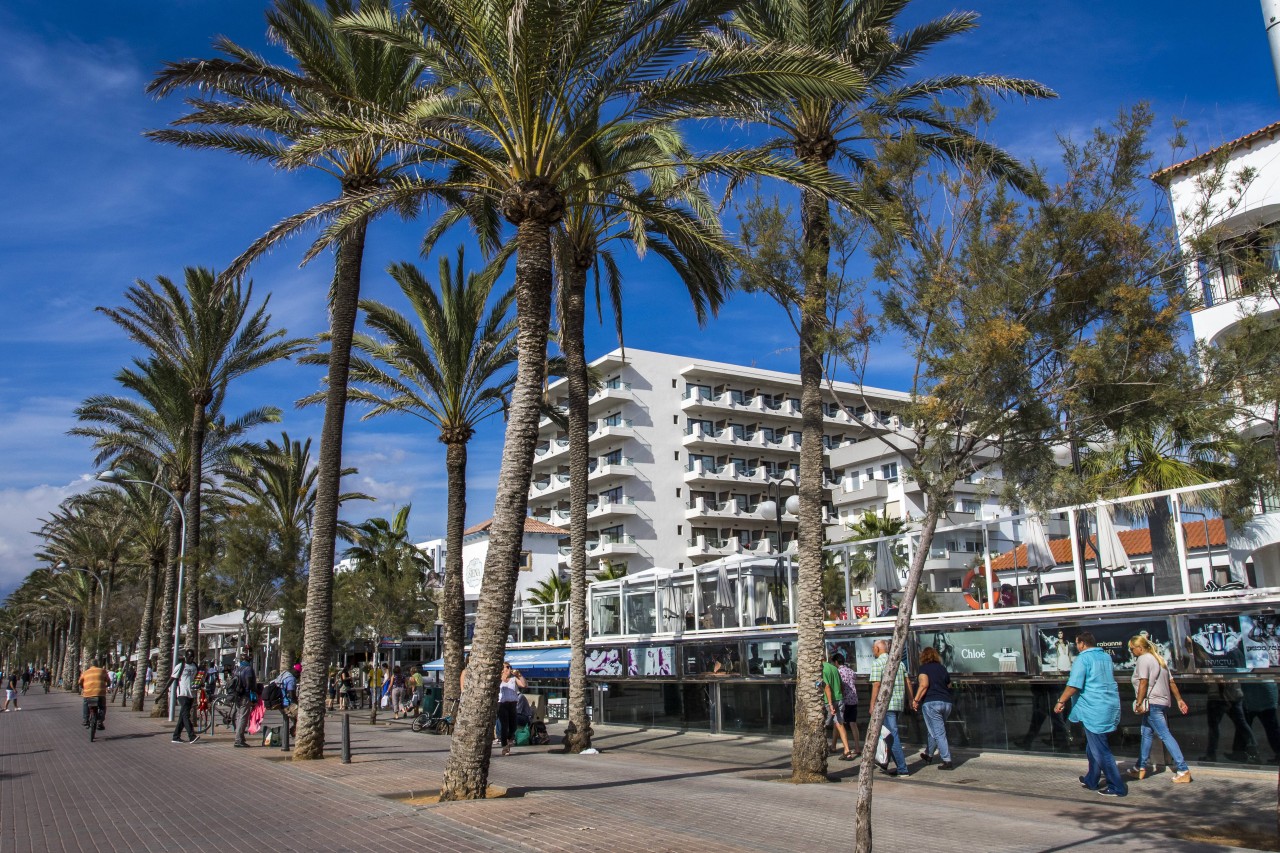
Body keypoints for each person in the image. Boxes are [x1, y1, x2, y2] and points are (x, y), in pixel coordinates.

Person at [1055, 632, 1127, 797]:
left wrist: (1061, 701)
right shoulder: (1105, 658)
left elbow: (1074, 684)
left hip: (1093, 708)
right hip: (1108, 705)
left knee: (1101, 749)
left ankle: (1117, 786)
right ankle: (1091, 779)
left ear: (1082, 644)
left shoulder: (1083, 659)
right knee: (1092, 746)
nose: (1077, 647)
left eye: (1077, 643)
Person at [1125, 634, 1190, 783]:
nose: (1131, 652)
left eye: (1132, 649)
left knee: (1164, 735)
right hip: (1162, 702)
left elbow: (1143, 682)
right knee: (1146, 734)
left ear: (1140, 648)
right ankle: (1139, 767)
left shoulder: (1143, 659)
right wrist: (1179, 700)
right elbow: (1171, 683)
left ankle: (1183, 769)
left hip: (1152, 703)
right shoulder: (1160, 660)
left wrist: (1139, 703)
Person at [869, 639, 912, 777]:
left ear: (877, 649)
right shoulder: (898, 663)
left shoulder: (878, 663)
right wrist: (911, 699)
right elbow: (908, 681)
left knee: (892, 735)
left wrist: (872, 705)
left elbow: (876, 685)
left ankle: (902, 768)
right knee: (888, 735)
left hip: (886, 705)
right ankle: (888, 762)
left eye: (873, 648)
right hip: (898, 703)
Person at [912, 646, 954, 770]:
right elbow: (949, 684)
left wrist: (916, 700)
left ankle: (947, 760)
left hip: (931, 703)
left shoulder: (924, 668)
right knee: (934, 731)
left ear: (923, 656)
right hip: (946, 703)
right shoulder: (942, 668)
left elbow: (924, 684)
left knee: (938, 732)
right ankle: (928, 754)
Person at [822, 652, 853, 761]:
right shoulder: (834, 668)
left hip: (829, 700)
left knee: (823, 725)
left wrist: (830, 704)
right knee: (840, 724)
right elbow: (841, 685)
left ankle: (822, 748)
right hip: (839, 698)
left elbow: (827, 687)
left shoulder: (822, 669)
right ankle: (847, 750)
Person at [168, 648, 201, 744]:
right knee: (186, 715)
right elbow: (172, 679)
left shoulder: (195, 666)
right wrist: (161, 694)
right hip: (182, 694)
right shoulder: (181, 666)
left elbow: (198, 678)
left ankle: (176, 736)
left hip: (191, 694)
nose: (191, 658)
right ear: (186, 656)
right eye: (189, 656)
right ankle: (191, 736)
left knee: (182, 716)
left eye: (193, 657)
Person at [496, 662, 527, 756]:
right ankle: (505, 746)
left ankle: (509, 740)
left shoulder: (514, 679)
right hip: (502, 704)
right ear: (502, 669)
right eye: (507, 667)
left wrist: (519, 675)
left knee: (513, 726)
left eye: (510, 667)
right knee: (504, 725)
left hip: (513, 704)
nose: (509, 669)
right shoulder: (498, 680)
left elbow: (524, 685)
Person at [231, 650, 257, 748]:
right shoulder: (248, 669)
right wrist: (254, 692)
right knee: (243, 718)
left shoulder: (237, 669)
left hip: (237, 695)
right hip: (245, 696)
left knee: (239, 716)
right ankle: (238, 739)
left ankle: (240, 738)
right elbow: (249, 683)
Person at [835, 652, 861, 751]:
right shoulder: (851, 671)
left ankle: (846, 748)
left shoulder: (838, 672)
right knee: (853, 723)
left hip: (844, 700)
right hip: (853, 699)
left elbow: (840, 686)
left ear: (836, 662)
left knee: (840, 724)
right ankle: (857, 747)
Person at [78, 658, 108, 729]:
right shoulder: (102, 671)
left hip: (88, 693)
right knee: (102, 707)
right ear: (97, 664)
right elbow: (108, 680)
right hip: (100, 693)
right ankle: (100, 721)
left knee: (86, 703)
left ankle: (85, 720)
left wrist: (83, 686)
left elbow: (79, 682)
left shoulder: (85, 672)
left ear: (90, 665)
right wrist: (107, 684)